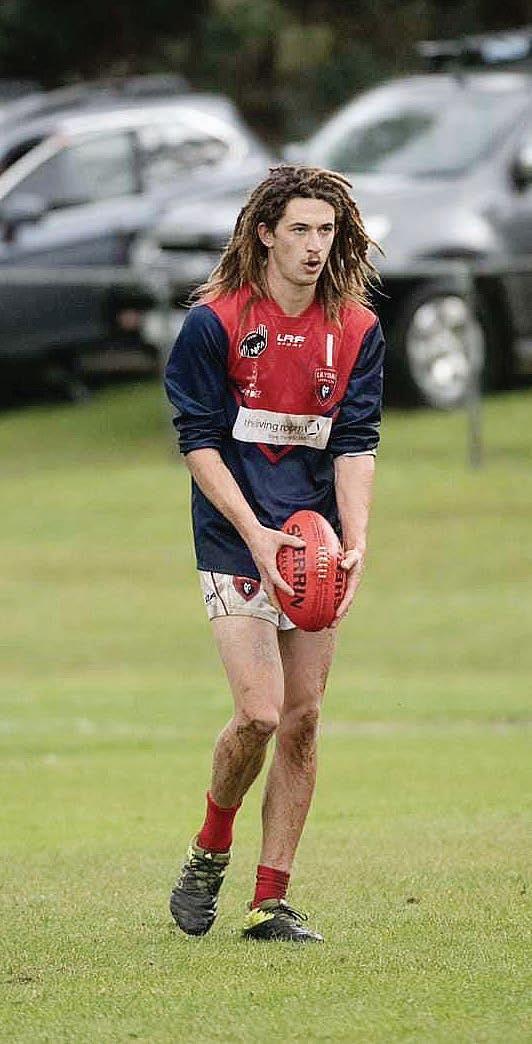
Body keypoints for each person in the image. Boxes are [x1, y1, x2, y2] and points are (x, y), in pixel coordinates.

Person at [164, 165, 385, 943]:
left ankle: (270, 901)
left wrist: (354, 540)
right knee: (258, 714)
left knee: (303, 718)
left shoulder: (355, 329)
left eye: (326, 230)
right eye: (299, 229)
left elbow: (355, 442)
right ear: (265, 233)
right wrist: (254, 534)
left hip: (311, 547)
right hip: (234, 538)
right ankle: (210, 847)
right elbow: (198, 441)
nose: (314, 245)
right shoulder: (215, 323)